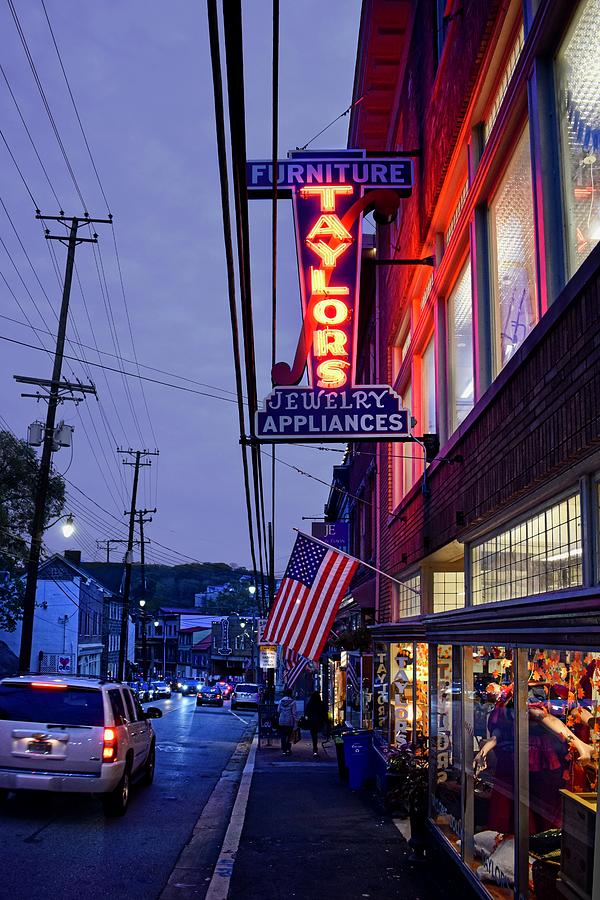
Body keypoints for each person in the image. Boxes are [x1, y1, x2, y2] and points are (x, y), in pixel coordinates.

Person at [305, 690, 327, 757]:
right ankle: (315, 749)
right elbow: (324, 713)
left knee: (313, 735)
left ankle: (315, 749)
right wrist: (326, 720)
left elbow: (307, 712)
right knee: (316, 734)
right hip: (319, 721)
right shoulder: (321, 703)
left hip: (312, 721)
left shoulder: (310, 703)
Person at [278, 688, 297, 756]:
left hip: (282, 720)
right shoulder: (293, 702)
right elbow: (294, 713)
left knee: (283, 736)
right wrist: (296, 722)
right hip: (289, 721)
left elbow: (278, 711)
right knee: (289, 736)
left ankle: (283, 750)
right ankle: (288, 749)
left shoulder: (281, 701)